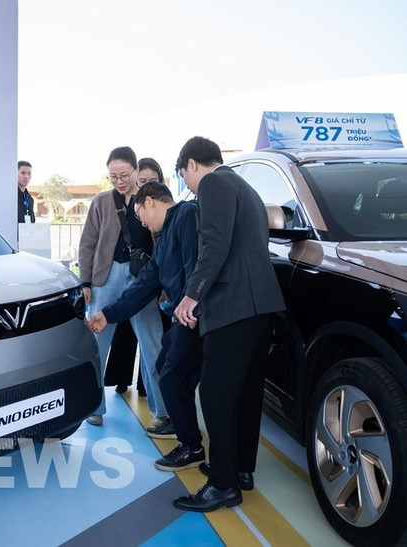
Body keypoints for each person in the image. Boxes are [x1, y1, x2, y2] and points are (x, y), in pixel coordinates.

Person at [172, 136, 285, 512]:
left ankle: (222, 485)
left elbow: (215, 243)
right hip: (260, 305)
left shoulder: (214, 183)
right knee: (246, 392)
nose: (187, 185)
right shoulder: (244, 186)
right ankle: (239, 469)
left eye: (183, 175)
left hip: (233, 305)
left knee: (216, 393)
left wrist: (192, 294)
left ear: (191, 164)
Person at [88, 181, 205, 472]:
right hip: (186, 315)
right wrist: (108, 314)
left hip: (196, 315)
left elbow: (196, 264)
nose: (140, 221)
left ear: (150, 201)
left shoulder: (187, 215)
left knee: (171, 376)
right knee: (167, 366)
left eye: (140, 213)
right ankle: (182, 428)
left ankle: (191, 447)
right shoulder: (163, 239)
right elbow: (143, 285)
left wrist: (193, 301)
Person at [78, 146, 164, 426]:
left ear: (137, 170)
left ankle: (161, 410)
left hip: (144, 277)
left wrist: (163, 281)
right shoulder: (101, 202)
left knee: (153, 343)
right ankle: (94, 406)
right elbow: (88, 242)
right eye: (113, 176)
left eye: (124, 174)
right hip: (107, 275)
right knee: (97, 340)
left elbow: (161, 241)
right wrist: (86, 281)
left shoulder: (150, 200)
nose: (119, 181)